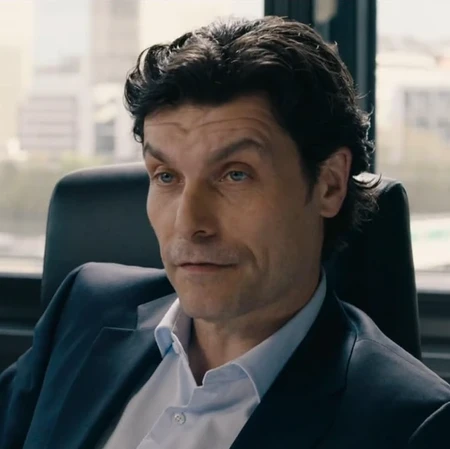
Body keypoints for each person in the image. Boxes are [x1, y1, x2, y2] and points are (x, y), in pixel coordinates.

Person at [1, 16, 449, 449]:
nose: (188, 224)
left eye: (235, 175)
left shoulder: (412, 426)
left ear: (329, 184)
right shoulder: (85, 308)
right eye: (166, 176)